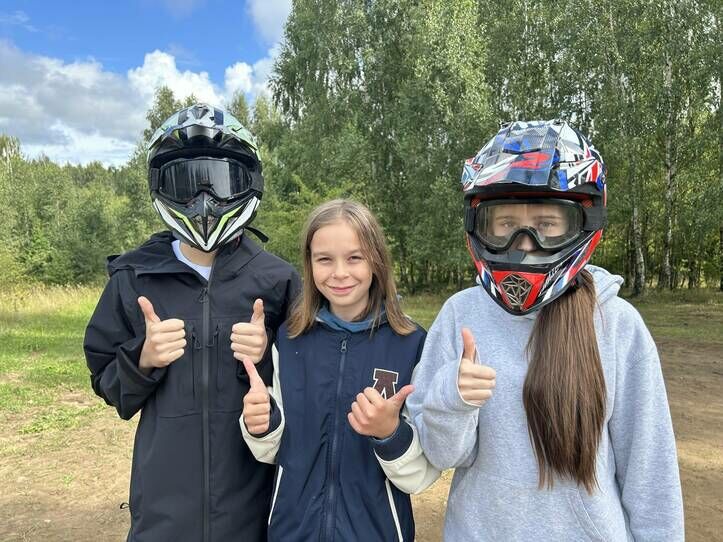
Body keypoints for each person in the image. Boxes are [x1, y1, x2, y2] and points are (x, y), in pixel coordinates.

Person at [407, 120, 684, 541]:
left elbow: (651, 476)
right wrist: (452, 399)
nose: (524, 242)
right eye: (505, 224)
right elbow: (442, 455)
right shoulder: (461, 315)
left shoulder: (617, 325)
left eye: (547, 224)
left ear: (583, 221)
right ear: (479, 223)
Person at [84, 103, 300, 542]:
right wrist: (143, 359)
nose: (205, 199)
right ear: (161, 185)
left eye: (221, 180)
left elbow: (308, 385)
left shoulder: (277, 279)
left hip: (252, 508)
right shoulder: (134, 277)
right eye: (187, 181)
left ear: (248, 182)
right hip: (163, 511)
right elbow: (108, 385)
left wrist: (268, 353)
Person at [240, 199, 440, 541]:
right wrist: (261, 424)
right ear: (309, 263)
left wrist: (389, 433)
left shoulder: (412, 345)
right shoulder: (289, 339)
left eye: (354, 258)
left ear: (376, 260)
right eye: (324, 259)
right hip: (292, 532)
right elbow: (271, 450)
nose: (340, 273)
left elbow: (420, 475)